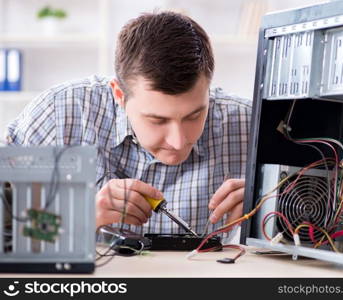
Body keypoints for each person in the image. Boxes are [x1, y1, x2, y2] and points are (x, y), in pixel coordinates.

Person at [5, 11, 252, 236]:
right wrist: (80, 217)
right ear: (119, 95)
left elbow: (287, 228)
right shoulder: (59, 113)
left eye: (194, 116)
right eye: (157, 120)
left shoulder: (248, 123)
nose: (178, 141)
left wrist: (274, 204)